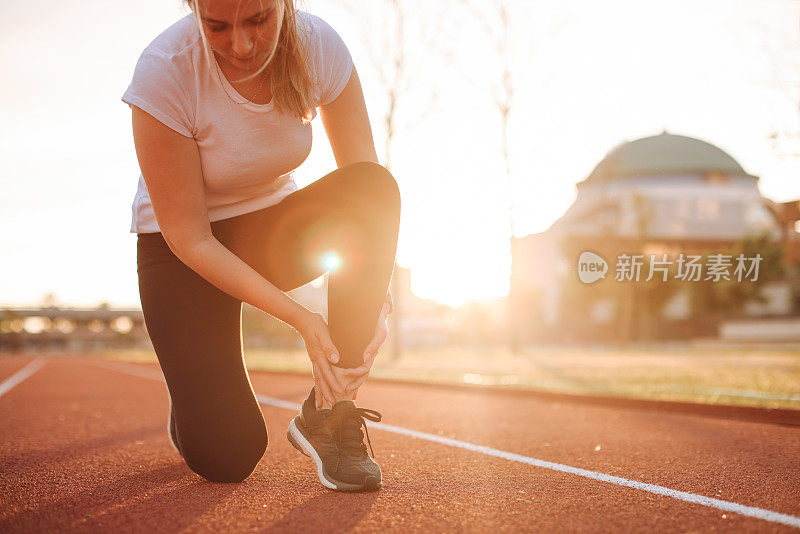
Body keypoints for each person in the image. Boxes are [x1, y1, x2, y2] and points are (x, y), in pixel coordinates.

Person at [122, 0, 400, 492]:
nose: (242, 45)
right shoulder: (164, 72)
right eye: (217, 26)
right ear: (194, 10)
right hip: (183, 254)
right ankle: (193, 397)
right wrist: (301, 317)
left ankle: (331, 413)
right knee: (229, 454)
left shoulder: (319, 47)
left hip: (267, 231)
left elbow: (365, 189)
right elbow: (190, 239)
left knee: (375, 187)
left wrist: (377, 298)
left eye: (258, 20)